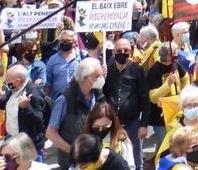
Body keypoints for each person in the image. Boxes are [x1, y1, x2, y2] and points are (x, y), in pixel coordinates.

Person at [46, 57, 106, 169]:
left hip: (93, 159)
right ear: (84, 78)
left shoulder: (97, 95)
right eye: (97, 76)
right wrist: (73, 151)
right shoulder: (65, 99)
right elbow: (50, 133)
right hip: (71, 162)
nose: (101, 79)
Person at [105, 38, 149, 170]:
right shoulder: (107, 71)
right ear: (113, 53)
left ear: (130, 52)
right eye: (119, 50)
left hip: (132, 122)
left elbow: (144, 98)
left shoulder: (137, 70)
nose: (122, 53)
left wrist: (143, 124)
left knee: (134, 157)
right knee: (112, 156)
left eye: (126, 50)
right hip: (111, 123)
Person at [0, 64, 49, 159]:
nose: (6, 83)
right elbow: (6, 105)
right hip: (12, 140)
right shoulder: (13, 90)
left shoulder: (33, 94)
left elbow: (38, 121)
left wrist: (26, 107)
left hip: (29, 145)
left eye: (8, 81)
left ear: (17, 81)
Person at [83, 103, 136, 170]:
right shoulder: (84, 141)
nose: (100, 130)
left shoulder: (122, 140)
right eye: (96, 127)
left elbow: (130, 166)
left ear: (113, 123)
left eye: (105, 127)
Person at [44, 29, 82, 97]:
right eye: (62, 40)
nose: (64, 42)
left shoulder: (82, 56)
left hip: (77, 100)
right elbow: (47, 82)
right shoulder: (53, 59)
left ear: (75, 42)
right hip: (57, 100)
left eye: (67, 40)